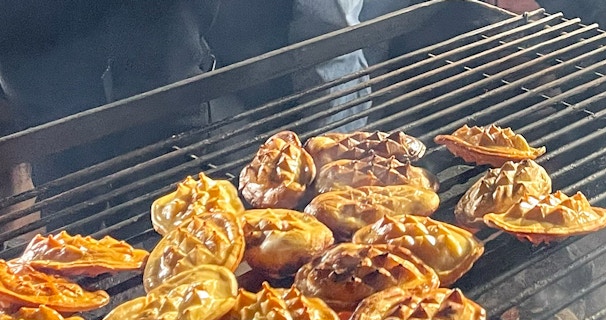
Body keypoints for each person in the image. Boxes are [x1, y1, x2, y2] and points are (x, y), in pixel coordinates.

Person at [0, 0, 372, 236]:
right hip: (56, 127)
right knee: (82, 262)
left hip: (175, 109)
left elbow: (330, 20)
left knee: (209, 253)